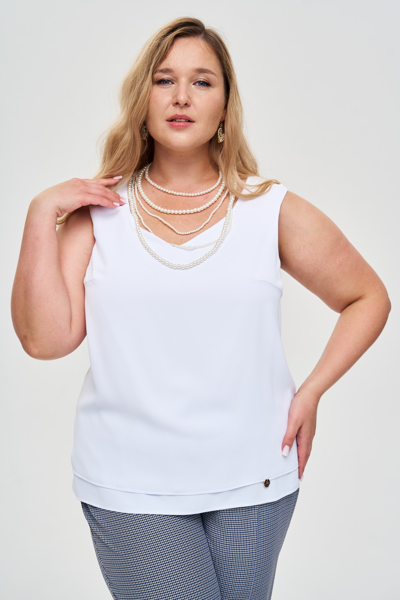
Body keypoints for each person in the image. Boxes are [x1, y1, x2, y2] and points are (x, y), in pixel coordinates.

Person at [11, 16, 391, 600]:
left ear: (225, 106)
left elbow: (367, 297)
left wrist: (311, 391)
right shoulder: (98, 215)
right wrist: (41, 215)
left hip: (256, 476)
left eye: (202, 82)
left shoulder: (270, 210)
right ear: (142, 100)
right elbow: (44, 340)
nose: (182, 96)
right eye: (164, 80)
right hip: (130, 480)